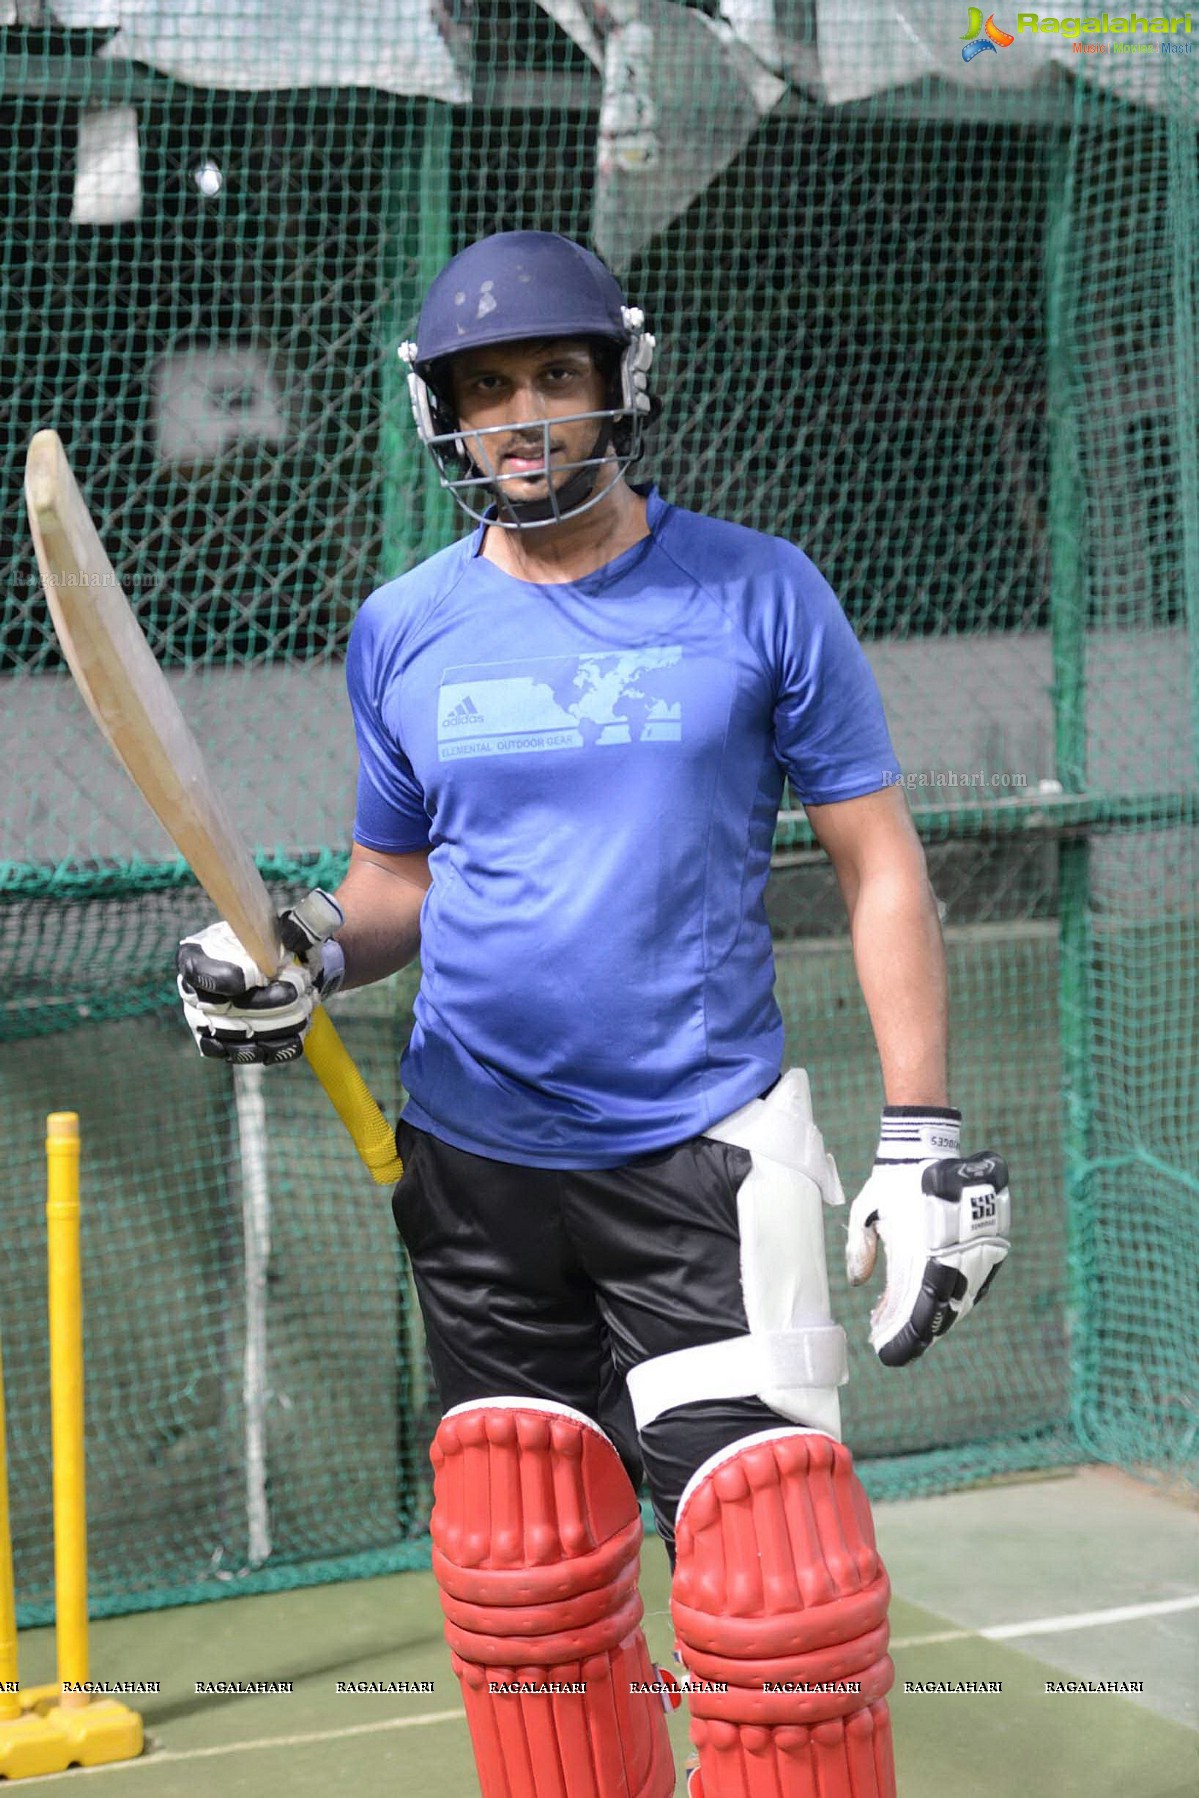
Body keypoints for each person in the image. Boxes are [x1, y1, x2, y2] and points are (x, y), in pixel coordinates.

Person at [176, 231, 1011, 1798]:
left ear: (619, 383)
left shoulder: (759, 588)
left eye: (557, 374)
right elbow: (393, 888)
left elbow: (876, 858)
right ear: (447, 418)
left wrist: (924, 1133)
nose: (527, 415)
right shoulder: (403, 628)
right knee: (528, 1581)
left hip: (704, 1156)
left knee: (785, 1602)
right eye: (489, 389)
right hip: (478, 1166)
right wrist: (293, 945)